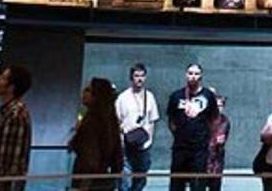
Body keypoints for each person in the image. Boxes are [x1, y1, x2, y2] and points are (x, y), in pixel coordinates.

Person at [167, 64, 219, 191]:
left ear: (201, 76)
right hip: (180, 149)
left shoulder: (208, 96)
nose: (193, 77)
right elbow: (171, 120)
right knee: (177, 185)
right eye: (190, 73)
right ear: (186, 75)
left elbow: (214, 119)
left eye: (196, 74)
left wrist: (204, 137)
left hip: (199, 150)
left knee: (198, 185)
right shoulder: (176, 96)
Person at [0, 66, 32, 191]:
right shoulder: (9, 112)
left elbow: (9, 162)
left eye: (3, 77)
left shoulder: (15, 115)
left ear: (11, 87)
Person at [69, 78, 123, 190]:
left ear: (97, 96)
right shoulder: (109, 118)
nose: (84, 93)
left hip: (90, 181)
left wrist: (85, 184)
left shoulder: (93, 121)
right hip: (102, 179)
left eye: (88, 90)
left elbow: (91, 157)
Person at [116, 63, 159, 191]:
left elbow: (152, 120)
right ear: (131, 77)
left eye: (142, 76)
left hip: (143, 145)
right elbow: (117, 121)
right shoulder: (123, 98)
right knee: (125, 181)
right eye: (136, 76)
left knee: (140, 180)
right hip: (126, 145)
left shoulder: (150, 97)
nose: (139, 79)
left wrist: (149, 141)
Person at [204, 95, 230, 191]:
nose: (218, 108)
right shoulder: (204, 119)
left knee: (215, 186)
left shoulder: (224, 121)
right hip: (202, 160)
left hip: (216, 162)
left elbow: (220, 139)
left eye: (220, 106)